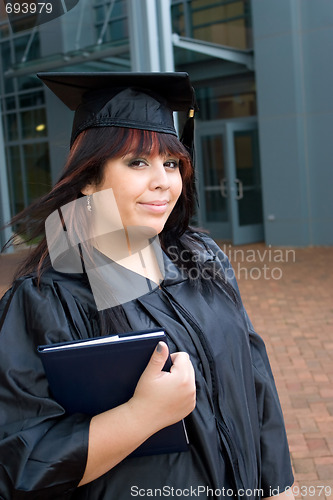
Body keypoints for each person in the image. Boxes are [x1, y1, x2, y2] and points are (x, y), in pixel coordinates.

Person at [0, 72, 295, 500]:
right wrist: (141, 416)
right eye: (137, 162)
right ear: (88, 180)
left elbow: (255, 378)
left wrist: (278, 487)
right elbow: (18, 465)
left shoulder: (202, 257)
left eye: (171, 163)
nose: (163, 181)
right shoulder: (47, 297)